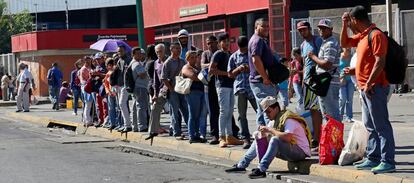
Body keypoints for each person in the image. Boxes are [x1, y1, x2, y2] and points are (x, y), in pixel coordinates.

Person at [341, 5, 396, 174]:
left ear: (356, 20)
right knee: (370, 126)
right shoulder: (363, 36)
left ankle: (388, 161)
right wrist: (343, 24)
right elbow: (345, 43)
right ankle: (373, 157)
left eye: (350, 21)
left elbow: (380, 62)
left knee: (381, 126)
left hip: (375, 88)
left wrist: (369, 82)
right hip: (365, 88)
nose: (350, 24)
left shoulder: (376, 35)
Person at [225, 96, 311, 179]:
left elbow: (287, 138)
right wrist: (261, 135)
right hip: (289, 151)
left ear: (276, 109)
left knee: (275, 139)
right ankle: (242, 165)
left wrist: (269, 130)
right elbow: (265, 137)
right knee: (259, 137)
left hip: (300, 152)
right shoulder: (274, 120)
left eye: (268, 112)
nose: (267, 115)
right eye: (265, 113)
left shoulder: (288, 119)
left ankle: (262, 169)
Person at [209, 32, 243, 148]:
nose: (226, 43)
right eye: (224, 41)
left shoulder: (230, 54)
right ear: (219, 43)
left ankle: (230, 136)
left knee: (229, 111)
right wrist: (227, 74)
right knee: (223, 111)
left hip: (230, 85)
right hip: (222, 85)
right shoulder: (218, 54)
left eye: (228, 41)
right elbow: (211, 70)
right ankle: (221, 136)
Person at [307, 19, 341, 122]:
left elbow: (327, 65)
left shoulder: (330, 43)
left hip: (328, 83)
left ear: (331, 29)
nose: (321, 30)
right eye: (320, 28)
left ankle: (334, 138)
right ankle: (332, 137)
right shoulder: (326, 42)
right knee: (328, 115)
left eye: (324, 28)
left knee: (330, 116)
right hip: (327, 82)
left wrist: (313, 57)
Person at [228, 36, 258, 149]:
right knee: (241, 115)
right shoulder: (234, 56)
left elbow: (259, 68)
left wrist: (250, 69)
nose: (244, 50)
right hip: (240, 88)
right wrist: (239, 69)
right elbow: (230, 74)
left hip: (253, 87)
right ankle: (246, 138)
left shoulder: (252, 55)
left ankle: (264, 135)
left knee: (260, 112)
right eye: (242, 48)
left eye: (246, 48)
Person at [297, 20, 323, 149]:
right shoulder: (302, 45)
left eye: (304, 29)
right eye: (300, 30)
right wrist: (302, 82)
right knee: (313, 111)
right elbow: (304, 64)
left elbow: (322, 59)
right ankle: (316, 138)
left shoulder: (317, 41)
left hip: (317, 80)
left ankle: (321, 138)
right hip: (307, 81)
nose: (302, 32)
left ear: (309, 29)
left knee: (320, 110)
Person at [248, 18, 279, 127]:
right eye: (263, 26)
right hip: (261, 82)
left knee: (261, 113)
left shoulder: (260, 40)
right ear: (256, 27)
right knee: (269, 111)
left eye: (267, 26)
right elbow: (255, 59)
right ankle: (272, 140)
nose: (266, 28)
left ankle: (260, 142)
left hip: (259, 81)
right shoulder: (257, 40)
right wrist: (265, 78)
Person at [161, 42, 189, 139]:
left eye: (179, 48)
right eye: (176, 48)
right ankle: (177, 132)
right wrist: (171, 89)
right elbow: (163, 78)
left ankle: (191, 130)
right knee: (175, 112)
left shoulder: (183, 61)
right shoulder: (167, 63)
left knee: (186, 110)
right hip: (173, 91)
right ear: (171, 49)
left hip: (182, 89)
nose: (178, 50)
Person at [182, 51, 208, 143]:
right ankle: (192, 135)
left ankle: (197, 134)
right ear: (187, 58)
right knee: (193, 115)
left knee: (198, 115)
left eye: (195, 57)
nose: (194, 59)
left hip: (200, 92)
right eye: (191, 57)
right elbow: (194, 77)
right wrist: (203, 77)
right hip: (192, 92)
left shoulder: (196, 67)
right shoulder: (186, 67)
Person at [146, 43, 170, 139]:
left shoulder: (169, 60)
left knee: (178, 110)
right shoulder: (156, 63)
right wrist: (155, 94)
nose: (159, 54)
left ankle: (179, 130)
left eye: (160, 51)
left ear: (164, 51)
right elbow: (155, 80)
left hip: (171, 88)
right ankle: (152, 131)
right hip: (161, 90)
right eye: (157, 52)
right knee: (155, 108)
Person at [129, 47, 149, 132]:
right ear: (133, 55)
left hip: (136, 87)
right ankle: (142, 126)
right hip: (140, 87)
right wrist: (146, 71)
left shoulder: (133, 63)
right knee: (141, 107)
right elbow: (142, 74)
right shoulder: (136, 64)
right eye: (137, 53)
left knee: (135, 107)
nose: (139, 55)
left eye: (140, 53)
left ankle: (135, 126)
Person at [115, 45, 133, 132]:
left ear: (125, 51)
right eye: (118, 51)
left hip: (127, 85)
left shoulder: (129, 60)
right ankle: (125, 124)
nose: (119, 53)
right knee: (121, 105)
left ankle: (128, 125)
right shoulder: (119, 61)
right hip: (120, 85)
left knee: (122, 104)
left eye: (121, 51)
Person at [339, 48, 355, 123]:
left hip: (350, 80)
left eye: (349, 49)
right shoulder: (339, 57)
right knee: (342, 99)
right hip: (341, 80)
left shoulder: (352, 57)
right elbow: (335, 68)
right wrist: (341, 75)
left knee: (350, 99)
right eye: (347, 48)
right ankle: (340, 116)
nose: (348, 49)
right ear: (343, 48)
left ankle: (349, 117)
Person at [103, 58, 119, 130]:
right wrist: (108, 91)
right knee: (111, 108)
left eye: (109, 65)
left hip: (116, 92)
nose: (108, 67)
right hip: (110, 93)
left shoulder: (115, 72)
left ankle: (117, 123)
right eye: (108, 65)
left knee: (117, 108)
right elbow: (106, 84)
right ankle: (112, 123)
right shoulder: (108, 74)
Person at [79, 56, 94, 126]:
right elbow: (83, 81)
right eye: (87, 61)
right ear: (84, 61)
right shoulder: (84, 69)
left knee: (88, 105)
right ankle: (87, 120)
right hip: (86, 88)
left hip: (87, 88)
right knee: (88, 104)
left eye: (89, 61)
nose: (89, 62)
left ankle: (87, 120)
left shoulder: (88, 68)